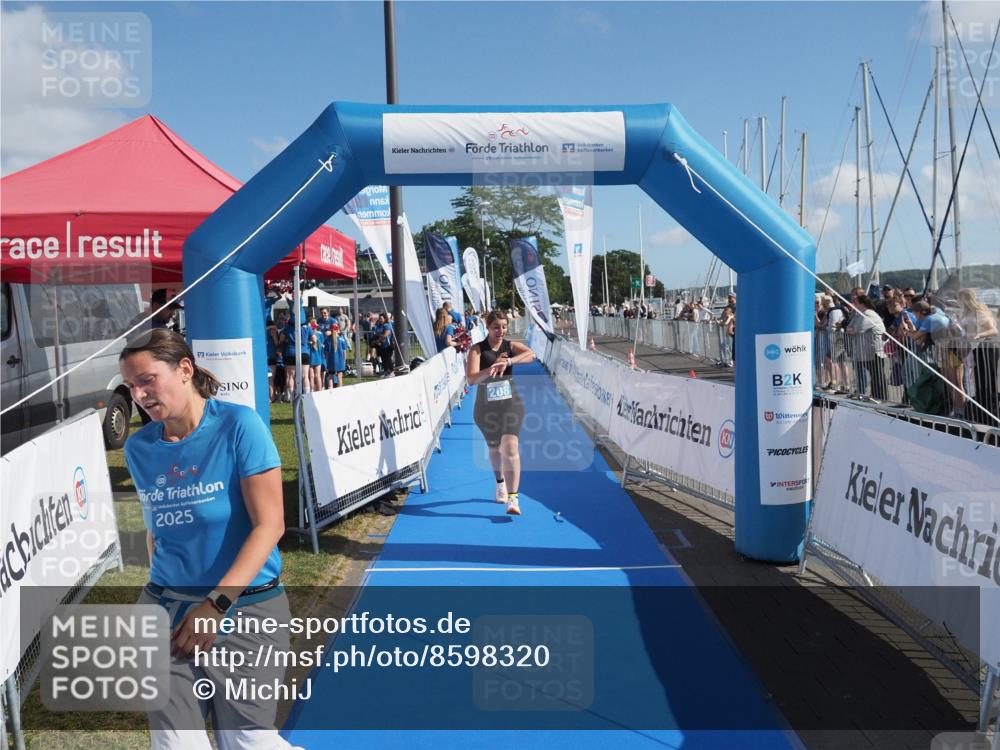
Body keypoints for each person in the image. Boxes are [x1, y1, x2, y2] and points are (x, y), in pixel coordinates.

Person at [118, 329, 296, 750]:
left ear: (184, 370)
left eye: (147, 380)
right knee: (176, 744)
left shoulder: (239, 426)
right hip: (165, 611)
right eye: (130, 386)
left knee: (248, 743)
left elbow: (270, 525)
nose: (139, 394)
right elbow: (156, 527)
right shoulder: (139, 447)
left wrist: (214, 605)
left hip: (245, 612)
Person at [466, 310, 536, 516]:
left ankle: (513, 499)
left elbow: (532, 354)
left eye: (504, 327)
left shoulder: (510, 346)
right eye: (496, 327)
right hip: (486, 408)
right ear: (487, 328)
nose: (501, 331)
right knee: (495, 450)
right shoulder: (477, 350)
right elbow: (471, 379)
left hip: (511, 404)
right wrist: (491, 369)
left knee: (510, 447)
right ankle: (500, 483)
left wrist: (509, 362)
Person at [957, 288, 999, 424]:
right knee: (979, 383)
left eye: (959, 298)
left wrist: (979, 334)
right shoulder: (966, 313)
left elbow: (993, 329)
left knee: (988, 382)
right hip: (975, 350)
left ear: (965, 299)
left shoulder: (979, 312)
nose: (958, 301)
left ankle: (991, 413)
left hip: (986, 349)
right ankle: (983, 412)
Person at [846, 293, 888, 401]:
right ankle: (873, 396)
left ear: (862, 303)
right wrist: (852, 330)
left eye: (855, 301)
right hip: (865, 351)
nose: (853, 303)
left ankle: (881, 398)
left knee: (877, 375)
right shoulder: (858, 314)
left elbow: (858, 330)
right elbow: (849, 328)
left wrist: (852, 330)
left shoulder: (869, 314)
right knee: (873, 375)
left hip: (875, 350)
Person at [373, 312, 395, 376]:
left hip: (387, 345)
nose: (380, 320)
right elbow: (376, 333)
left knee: (388, 359)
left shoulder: (387, 325)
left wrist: (377, 340)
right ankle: (386, 372)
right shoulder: (379, 325)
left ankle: (392, 372)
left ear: (385, 319)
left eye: (381, 318)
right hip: (381, 346)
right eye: (379, 318)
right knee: (383, 359)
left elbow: (386, 335)